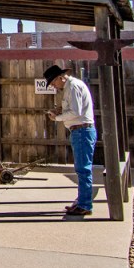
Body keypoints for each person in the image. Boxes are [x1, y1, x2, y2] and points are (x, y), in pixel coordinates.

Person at [44, 64, 96, 216]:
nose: (54, 86)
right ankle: (81, 201)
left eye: (54, 83)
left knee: (83, 169)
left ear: (61, 77)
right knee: (82, 169)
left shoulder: (72, 87)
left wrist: (57, 117)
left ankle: (85, 204)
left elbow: (75, 111)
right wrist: (60, 111)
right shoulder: (70, 87)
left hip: (81, 130)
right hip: (80, 130)